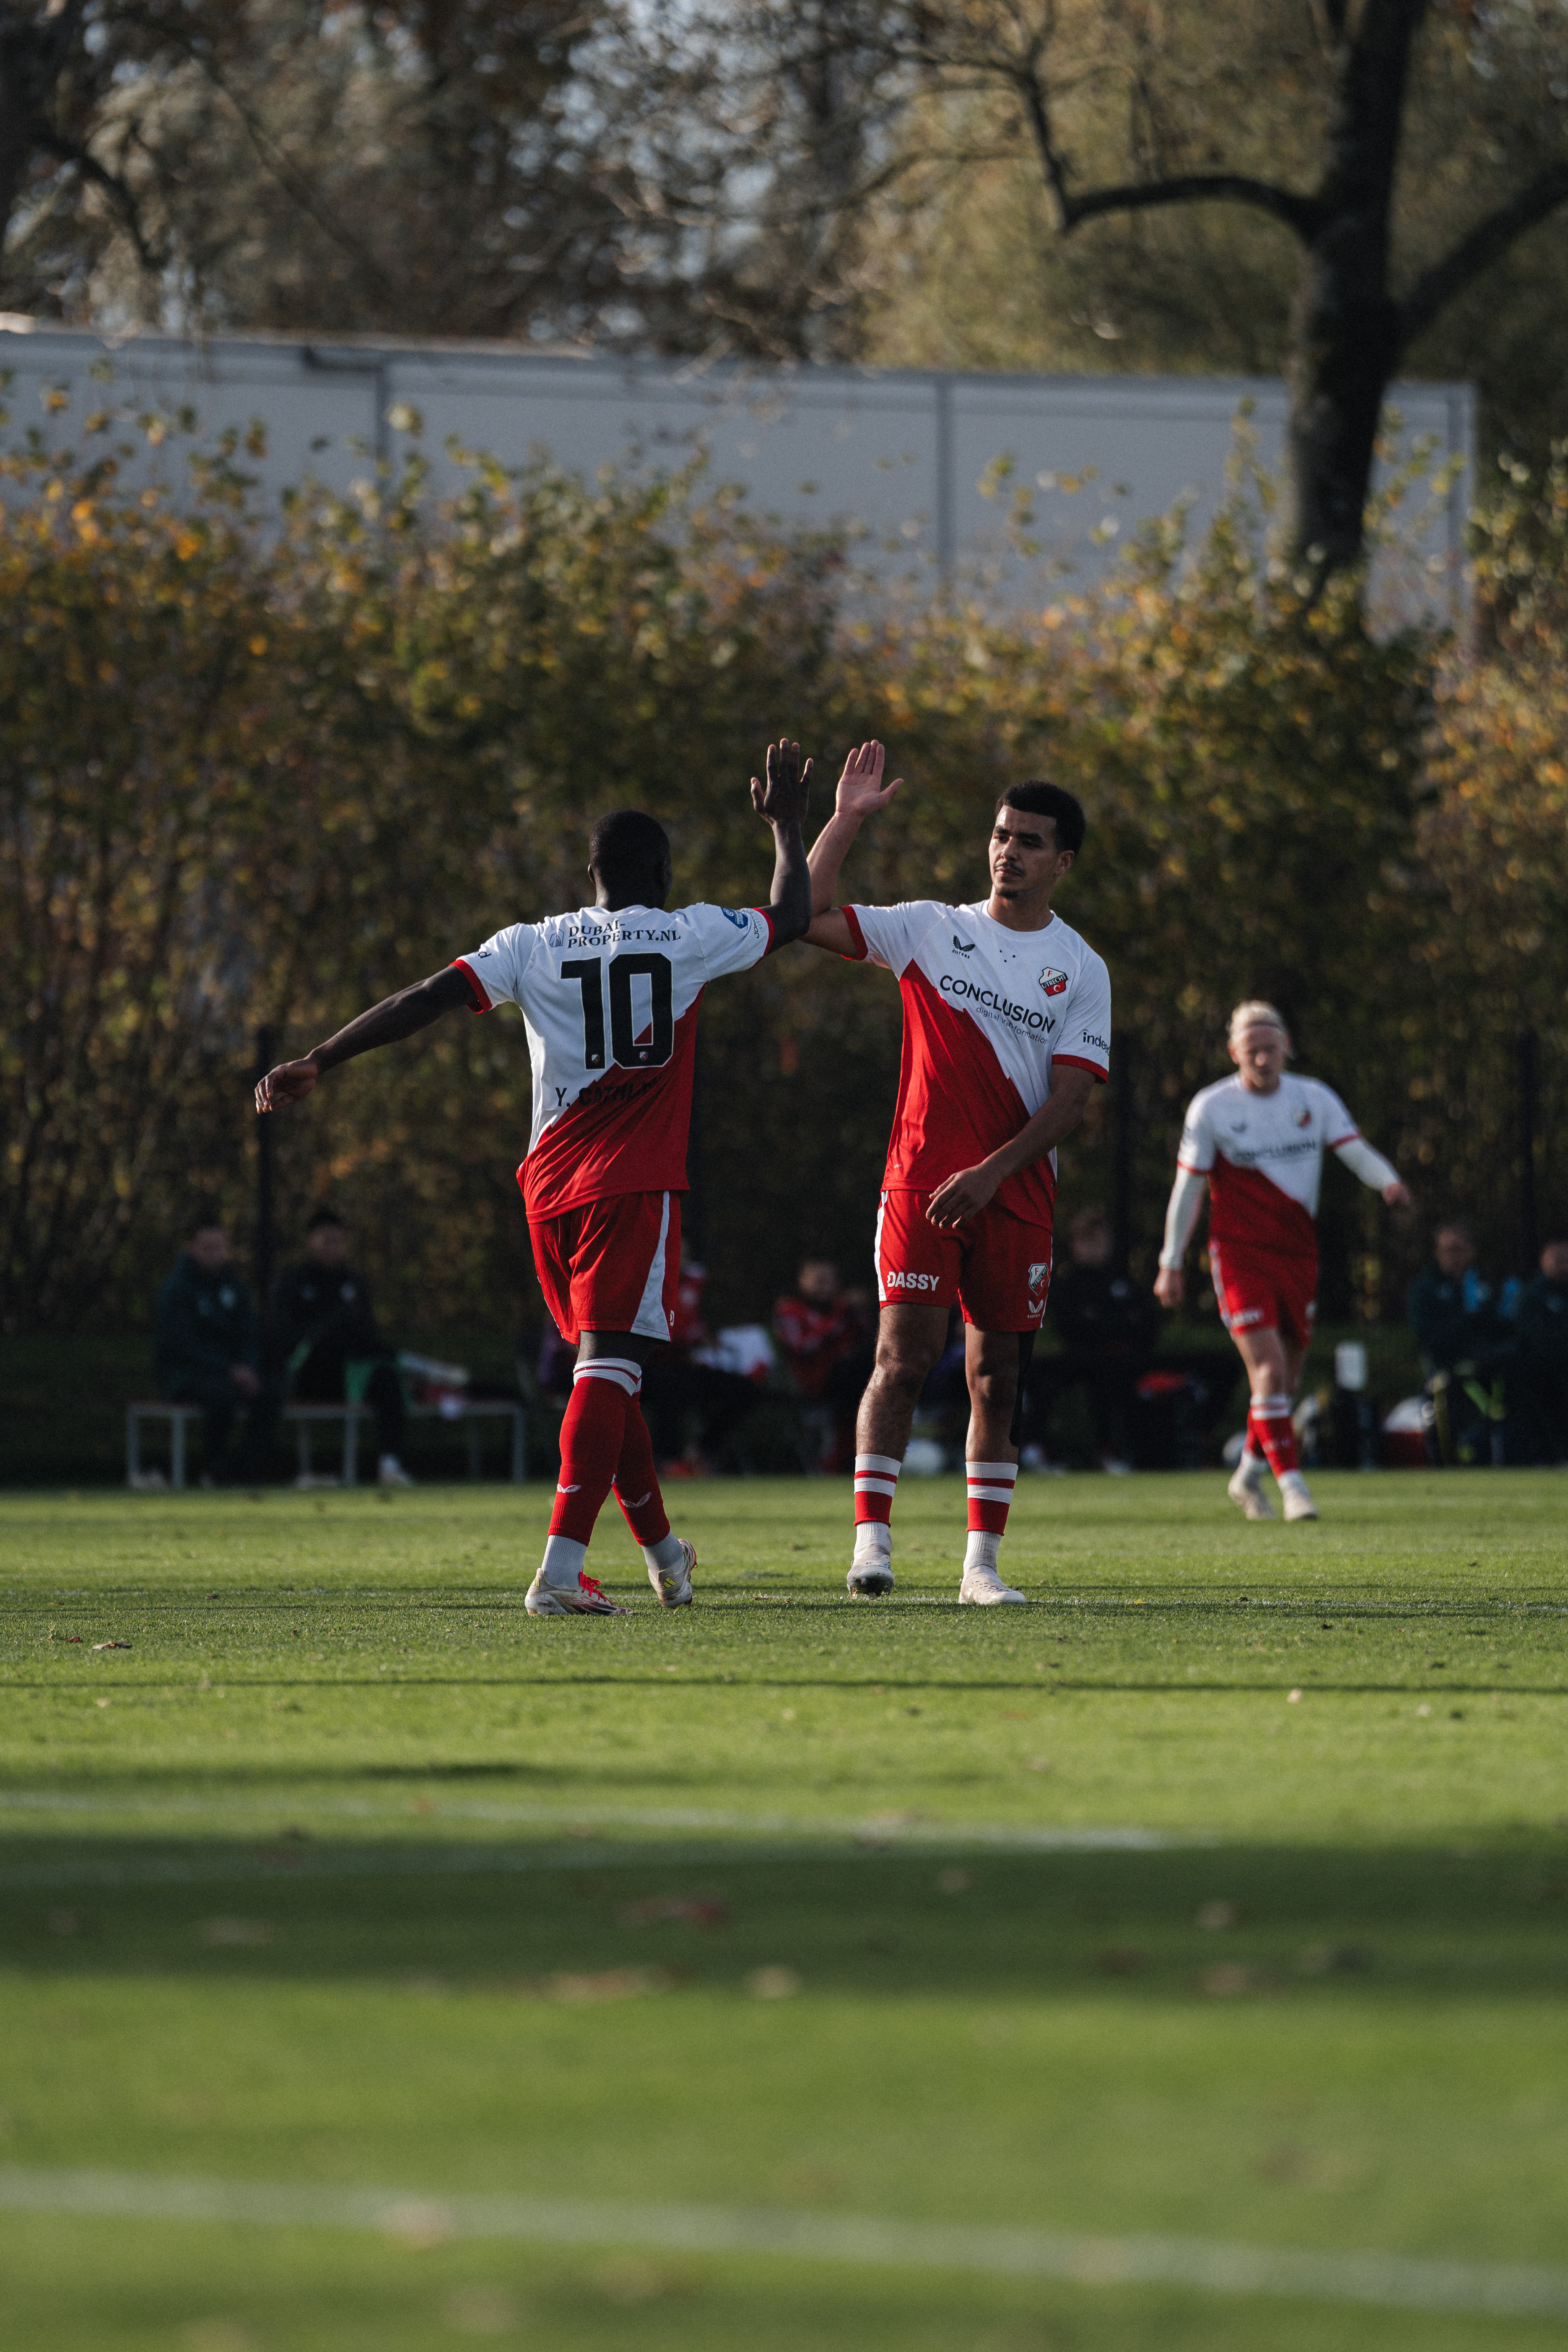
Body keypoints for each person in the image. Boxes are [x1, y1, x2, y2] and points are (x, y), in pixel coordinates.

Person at [256, 740, 813, 1614]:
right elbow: (790, 913)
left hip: (548, 1185)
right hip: (631, 1180)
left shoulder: (531, 942)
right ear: (661, 871)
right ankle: (557, 1574)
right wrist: (785, 828)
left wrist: (322, 1058)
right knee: (607, 1367)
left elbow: (425, 997)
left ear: (589, 871)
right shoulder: (691, 935)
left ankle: (667, 1556)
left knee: (609, 1369)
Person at [800, 749, 1112, 1604]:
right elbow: (805, 910)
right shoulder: (930, 928)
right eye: (1002, 836)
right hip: (917, 1187)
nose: (1009, 852)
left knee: (995, 1378)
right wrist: (848, 818)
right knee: (900, 1361)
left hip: (1014, 1196)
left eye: (1030, 842)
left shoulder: (1081, 968)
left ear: (1063, 862)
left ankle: (980, 1568)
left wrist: (991, 1171)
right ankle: (871, 1545)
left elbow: (1070, 1101)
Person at [1154, 1002, 1410, 1523]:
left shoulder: (1312, 1098)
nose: (1262, 1057)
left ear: (1286, 1046)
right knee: (1267, 1370)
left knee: (1283, 1383)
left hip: (1298, 1253)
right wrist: (1170, 1261)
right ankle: (1294, 1487)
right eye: (1252, 1049)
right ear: (1234, 1053)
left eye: (1270, 1047)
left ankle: (1247, 1474)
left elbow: (1352, 1147)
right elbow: (1188, 1187)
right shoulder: (1212, 1107)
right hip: (1238, 1254)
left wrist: (1387, 1181)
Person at [270, 1208, 412, 1486]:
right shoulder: (292, 1283)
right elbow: (285, 1339)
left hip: (353, 1374)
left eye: (338, 1241)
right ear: (310, 1241)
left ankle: (390, 1465)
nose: (333, 1248)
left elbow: (368, 1335)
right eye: (326, 1241)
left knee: (387, 1379)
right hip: (312, 1377)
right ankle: (309, 1471)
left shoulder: (355, 1283)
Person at [1028, 1207, 1160, 1473]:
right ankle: (1036, 1448)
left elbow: (1146, 1322)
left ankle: (1119, 1451)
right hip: (1078, 1357)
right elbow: (1071, 1326)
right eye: (1086, 1241)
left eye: (1099, 1241)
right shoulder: (1065, 1283)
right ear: (1074, 1244)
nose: (1093, 1248)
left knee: (1118, 1381)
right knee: (1039, 1377)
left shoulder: (1122, 1280)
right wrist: (1113, 1325)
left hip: (1123, 1359)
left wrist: (1106, 1325)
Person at [153, 1210, 276, 1483]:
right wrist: (230, 1370)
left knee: (272, 1390)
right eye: (207, 1248)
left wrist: (248, 1367)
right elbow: (183, 1346)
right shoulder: (177, 1290)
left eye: (219, 1248)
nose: (214, 1254)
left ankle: (247, 1466)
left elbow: (250, 1335)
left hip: (233, 1374)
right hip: (187, 1376)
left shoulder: (234, 1287)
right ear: (191, 1247)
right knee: (222, 1393)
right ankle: (214, 1466)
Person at [1406, 1220, 1515, 1464]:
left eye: (1460, 1249)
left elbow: (1501, 1331)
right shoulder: (1426, 1289)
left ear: (1471, 1251)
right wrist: (1468, 1318)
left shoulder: (1484, 1284)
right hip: (1445, 1369)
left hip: (1489, 1366)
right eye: (1449, 1250)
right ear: (1437, 1252)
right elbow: (1428, 1338)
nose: (1454, 1256)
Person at [773, 1256, 875, 1470]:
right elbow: (805, 1348)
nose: (825, 1287)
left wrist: (859, 1313)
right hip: (813, 1382)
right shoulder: (790, 1310)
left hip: (849, 1382)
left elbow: (866, 1338)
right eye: (818, 1281)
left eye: (829, 1281)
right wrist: (841, 1318)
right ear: (802, 1281)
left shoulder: (843, 1309)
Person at [1511, 1235, 1568, 1465]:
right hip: (1545, 1377)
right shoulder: (1531, 1296)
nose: (1563, 1265)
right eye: (1557, 1259)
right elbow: (1537, 1340)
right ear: (1543, 1260)